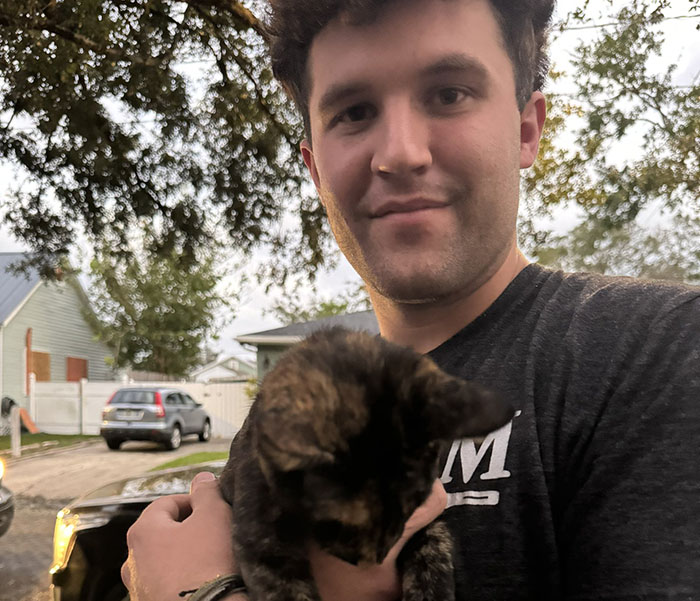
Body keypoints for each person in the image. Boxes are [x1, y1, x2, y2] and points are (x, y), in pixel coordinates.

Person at [121, 0, 700, 599]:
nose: (399, 152)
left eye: (448, 94)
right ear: (315, 168)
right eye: (353, 111)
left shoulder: (657, 352)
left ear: (526, 129)